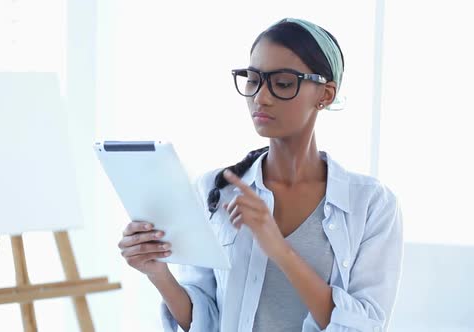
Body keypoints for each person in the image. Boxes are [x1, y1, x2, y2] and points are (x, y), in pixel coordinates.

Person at [117, 17, 403, 332]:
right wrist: (158, 273)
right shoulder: (215, 190)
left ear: (325, 94)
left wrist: (277, 246)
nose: (260, 97)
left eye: (282, 83)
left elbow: (365, 324)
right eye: (253, 80)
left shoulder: (372, 203)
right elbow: (206, 319)